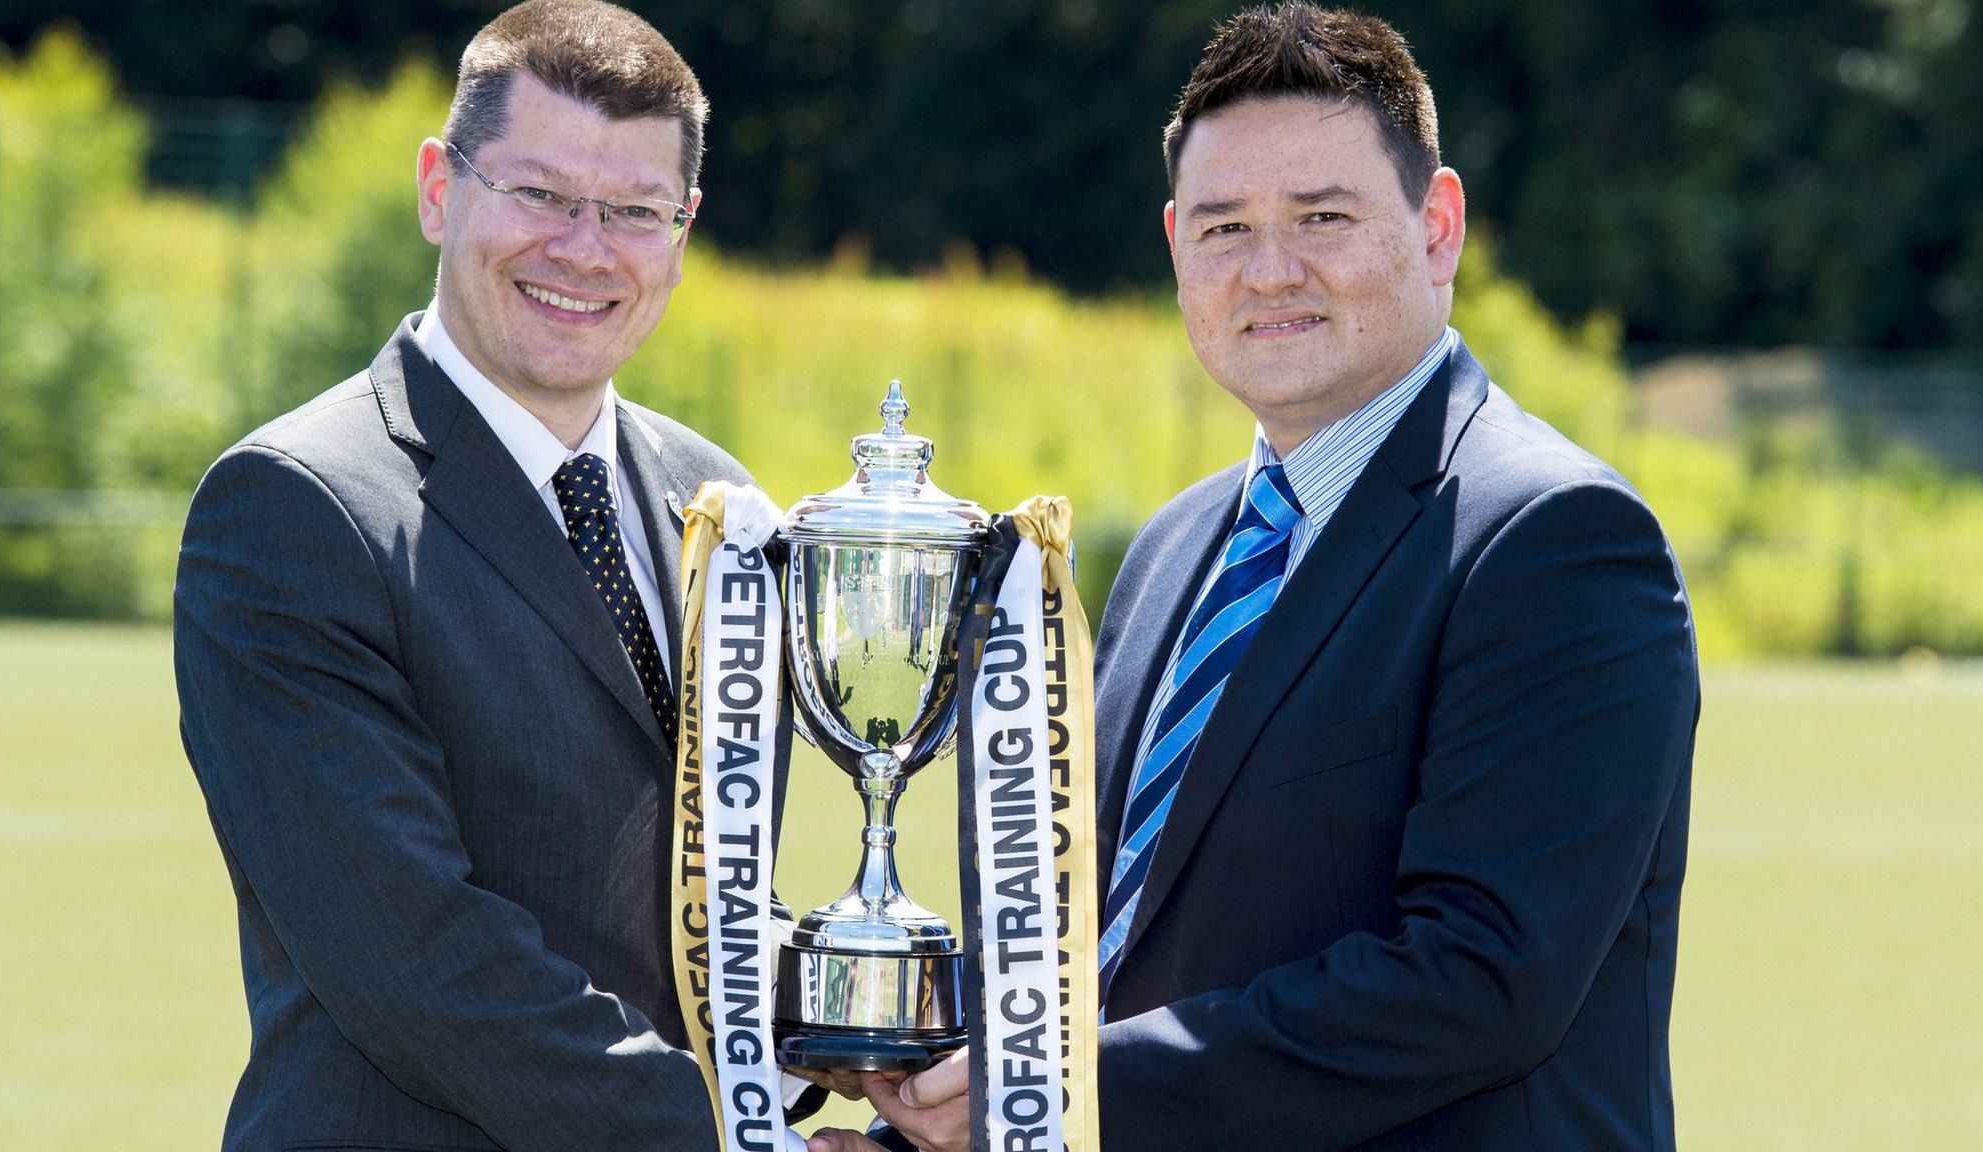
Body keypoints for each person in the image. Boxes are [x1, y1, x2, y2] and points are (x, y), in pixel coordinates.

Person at [812, 4, 1698, 1151]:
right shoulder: (1175, 549)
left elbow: (1478, 982)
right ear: (1177, 245)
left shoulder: (1553, 539)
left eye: (1321, 216)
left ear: (1436, 228)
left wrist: (1047, 1091)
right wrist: (916, 1126)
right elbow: (1105, 950)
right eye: (1224, 228)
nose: (1269, 271)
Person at [174, 2, 824, 1148]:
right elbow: (414, 960)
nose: (584, 248)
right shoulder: (294, 505)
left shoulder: (715, 498)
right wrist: (732, 1138)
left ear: (683, 228)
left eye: (633, 211)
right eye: (538, 194)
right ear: (438, 187)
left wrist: (883, 1028)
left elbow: (709, 888)